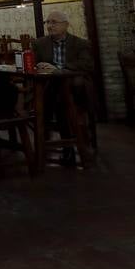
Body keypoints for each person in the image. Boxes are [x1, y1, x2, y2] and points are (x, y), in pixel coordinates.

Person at [32, 10, 94, 165]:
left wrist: (57, 68)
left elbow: (87, 65)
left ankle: (50, 139)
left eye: (54, 22)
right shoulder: (39, 44)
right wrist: (39, 66)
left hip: (74, 90)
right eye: (48, 22)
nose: (50, 26)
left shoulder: (80, 44)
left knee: (59, 93)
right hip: (50, 88)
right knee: (59, 97)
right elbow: (33, 65)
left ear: (66, 25)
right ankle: (67, 147)